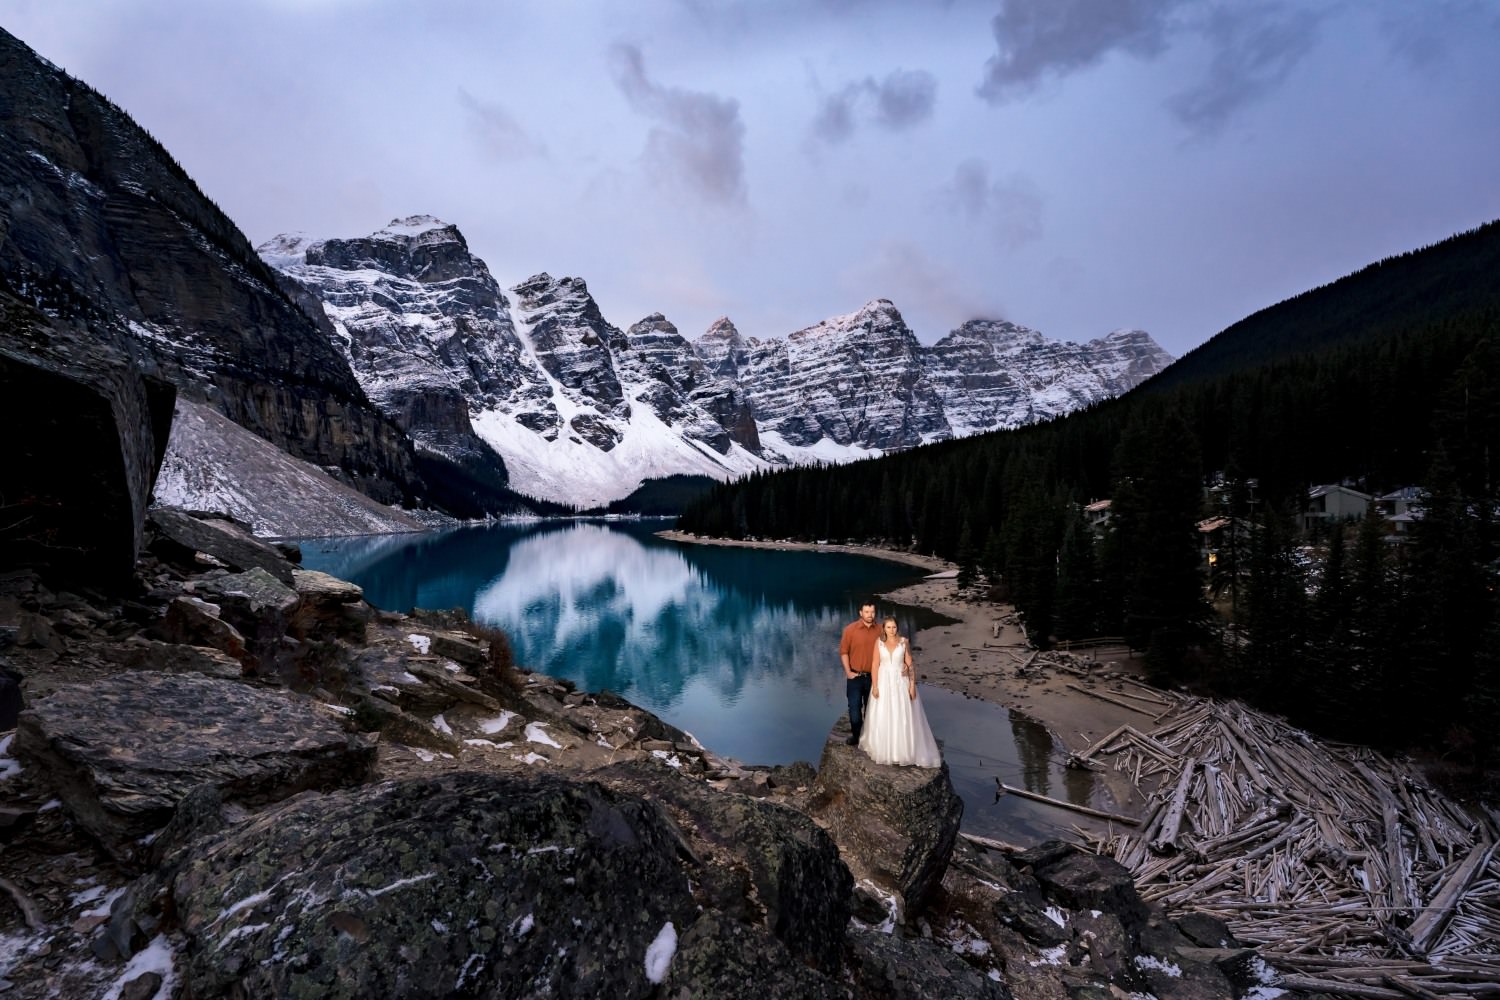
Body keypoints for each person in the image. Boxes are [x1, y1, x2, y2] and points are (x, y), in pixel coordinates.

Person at [859, 616, 942, 768]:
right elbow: (875, 664)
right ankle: (884, 749)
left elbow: (910, 665)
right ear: (884, 628)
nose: (892, 630)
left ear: (898, 627)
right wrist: (875, 686)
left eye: (894, 627)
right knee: (883, 714)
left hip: (900, 683)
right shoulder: (879, 643)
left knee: (902, 714)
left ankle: (902, 751)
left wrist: (911, 685)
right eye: (889, 627)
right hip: (884, 682)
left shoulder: (904, 642)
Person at [838, 601, 879, 746]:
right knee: (854, 710)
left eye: (872, 612)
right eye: (867, 612)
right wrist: (848, 671)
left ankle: (869, 739)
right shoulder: (850, 630)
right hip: (855, 677)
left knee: (871, 710)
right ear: (860, 613)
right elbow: (843, 652)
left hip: (874, 678)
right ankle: (856, 736)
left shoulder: (880, 630)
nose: (870, 615)